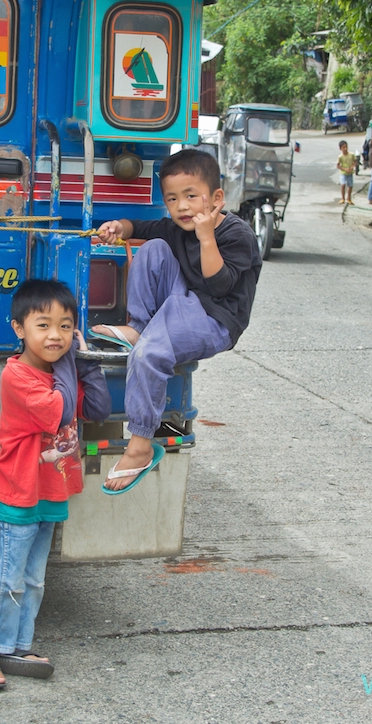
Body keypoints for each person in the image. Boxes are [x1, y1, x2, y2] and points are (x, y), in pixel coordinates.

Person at [0, 279, 107, 691]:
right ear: (18, 329)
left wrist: (87, 363)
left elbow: (96, 407)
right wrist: (69, 367)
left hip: (49, 491)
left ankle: (16, 645)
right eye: (43, 325)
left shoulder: (63, 374)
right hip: (17, 494)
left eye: (66, 326)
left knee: (33, 579)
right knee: (7, 577)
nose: (56, 336)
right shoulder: (18, 376)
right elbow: (58, 415)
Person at [89, 147, 261, 493]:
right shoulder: (175, 228)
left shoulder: (237, 235)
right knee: (153, 247)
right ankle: (139, 328)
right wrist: (116, 227)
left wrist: (206, 237)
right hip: (184, 303)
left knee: (150, 354)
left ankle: (140, 447)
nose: (181, 206)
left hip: (216, 319)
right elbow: (140, 226)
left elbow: (220, 284)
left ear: (216, 198)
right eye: (171, 198)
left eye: (191, 196)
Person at [336, 140, 359, 206]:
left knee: (350, 186)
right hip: (343, 173)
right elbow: (338, 165)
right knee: (343, 185)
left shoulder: (351, 155)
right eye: (343, 147)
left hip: (350, 173)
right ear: (340, 149)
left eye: (346, 147)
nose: (345, 149)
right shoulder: (340, 157)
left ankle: (349, 198)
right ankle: (343, 198)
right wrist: (345, 169)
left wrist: (351, 167)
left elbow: (355, 162)